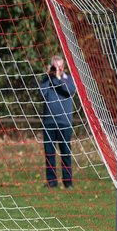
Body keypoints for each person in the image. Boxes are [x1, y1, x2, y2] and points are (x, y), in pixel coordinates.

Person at [40, 55, 76, 189]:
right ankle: (52, 182)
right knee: (49, 154)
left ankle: (68, 182)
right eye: (55, 67)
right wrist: (49, 77)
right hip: (49, 122)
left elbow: (69, 91)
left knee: (65, 153)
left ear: (64, 67)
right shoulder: (47, 80)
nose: (58, 69)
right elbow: (41, 93)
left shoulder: (68, 80)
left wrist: (59, 78)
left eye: (60, 67)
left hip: (64, 122)